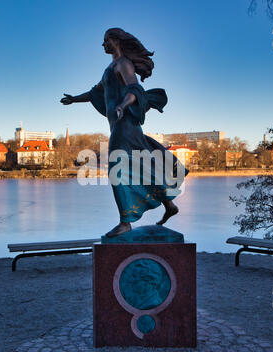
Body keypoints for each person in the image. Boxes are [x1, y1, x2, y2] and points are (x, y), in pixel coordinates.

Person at [61, 28, 188, 237]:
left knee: (117, 169)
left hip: (125, 124)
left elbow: (134, 89)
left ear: (116, 40)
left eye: (106, 40)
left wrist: (122, 105)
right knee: (141, 163)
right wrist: (74, 99)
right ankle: (169, 203)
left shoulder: (123, 64)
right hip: (118, 125)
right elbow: (96, 92)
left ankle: (125, 222)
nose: (103, 45)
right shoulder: (110, 68)